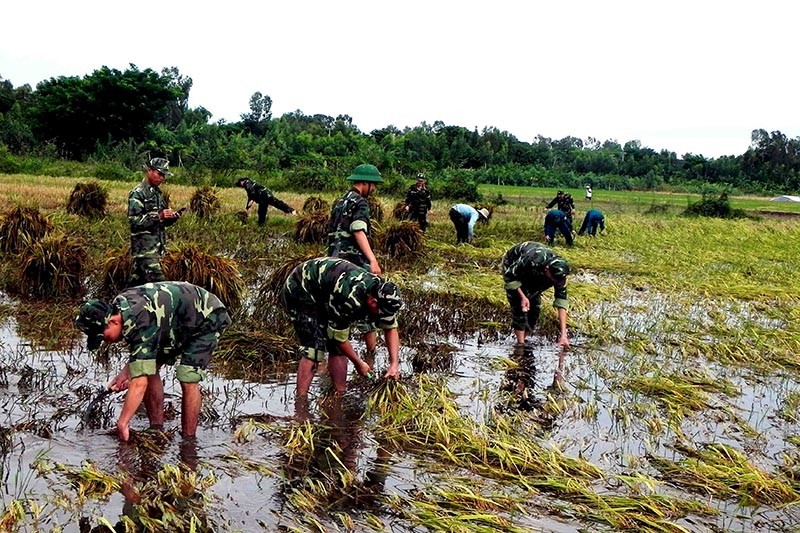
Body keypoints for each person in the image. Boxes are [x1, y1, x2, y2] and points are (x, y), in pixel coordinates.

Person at [74, 281, 231, 442]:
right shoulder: (122, 310)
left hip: (206, 316)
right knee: (149, 369)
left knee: (187, 376)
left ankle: (188, 441)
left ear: (113, 322)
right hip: (170, 321)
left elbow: (139, 383)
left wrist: (123, 422)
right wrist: (125, 373)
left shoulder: (139, 319)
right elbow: (142, 352)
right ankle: (156, 429)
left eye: (104, 337)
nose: (106, 342)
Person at [281, 257, 402, 398]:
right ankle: (301, 403)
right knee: (314, 348)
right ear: (372, 301)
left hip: (327, 292)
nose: (382, 316)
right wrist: (359, 363)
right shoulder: (351, 298)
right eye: (381, 312)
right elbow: (340, 337)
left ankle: (339, 394)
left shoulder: (385, 295)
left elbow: (390, 327)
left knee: (336, 349)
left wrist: (394, 364)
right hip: (301, 290)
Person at [501, 241, 571, 348]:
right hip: (513, 265)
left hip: (536, 272)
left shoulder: (559, 274)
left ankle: (524, 338)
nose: (556, 282)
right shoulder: (531, 259)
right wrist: (523, 297)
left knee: (534, 309)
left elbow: (561, 303)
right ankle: (520, 345)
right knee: (519, 305)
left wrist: (564, 335)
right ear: (547, 269)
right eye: (553, 279)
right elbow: (510, 276)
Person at [128, 158, 183, 285]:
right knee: (160, 285)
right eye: (160, 174)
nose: (162, 178)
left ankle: (121, 302)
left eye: (164, 175)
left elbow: (161, 222)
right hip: (145, 252)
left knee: (136, 285)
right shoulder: (138, 193)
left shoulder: (157, 194)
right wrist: (158, 216)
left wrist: (171, 218)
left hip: (157, 250)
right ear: (149, 171)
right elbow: (134, 222)